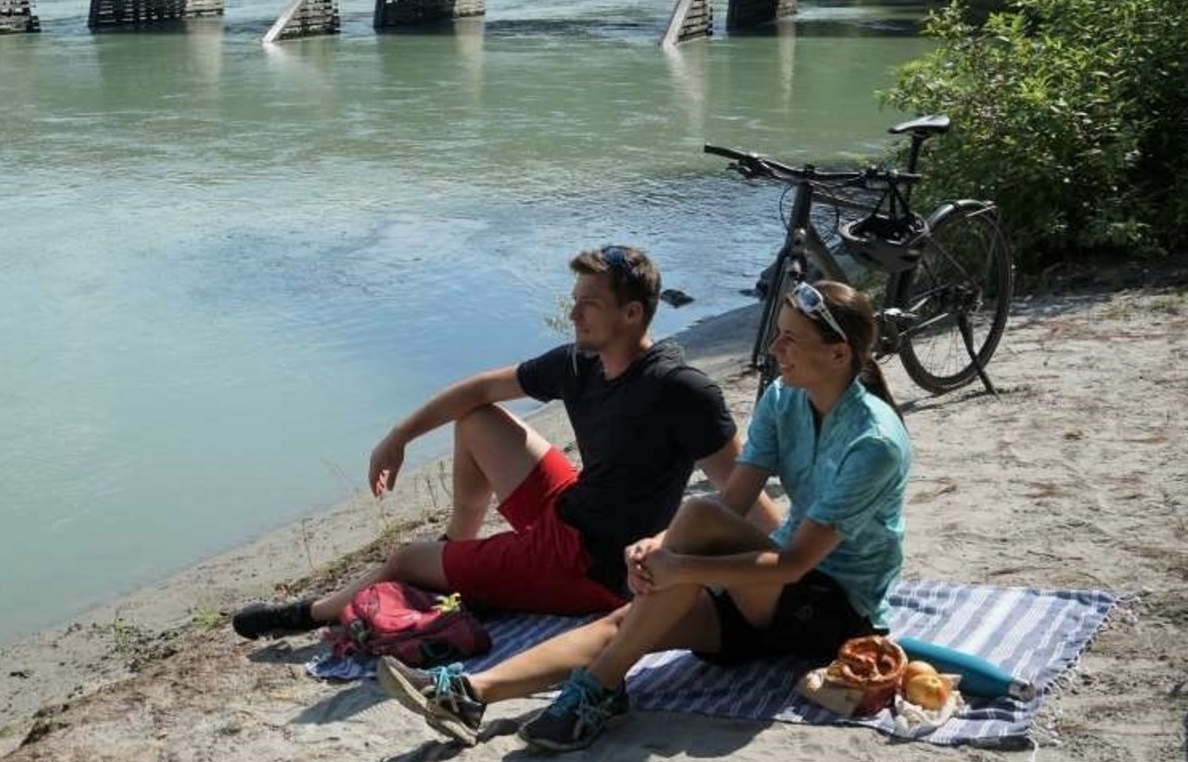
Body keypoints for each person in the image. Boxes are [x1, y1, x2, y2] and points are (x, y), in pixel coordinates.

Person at [378, 279, 912, 752]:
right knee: (631, 621)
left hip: (834, 609)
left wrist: (682, 564)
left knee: (693, 524)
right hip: (772, 598)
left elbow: (795, 562)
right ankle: (471, 692)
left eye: (790, 339)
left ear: (838, 354)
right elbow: (735, 503)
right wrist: (660, 546)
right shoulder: (783, 398)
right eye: (778, 333)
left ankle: (600, 689)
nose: (774, 348)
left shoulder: (873, 443)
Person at [232, 245, 776, 643]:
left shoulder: (681, 391)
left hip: (591, 566)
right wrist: (398, 437)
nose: (574, 314)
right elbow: (478, 390)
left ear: (632, 314)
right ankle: (457, 548)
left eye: (588, 304)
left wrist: (791, 569)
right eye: (575, 301)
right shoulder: (580, 363)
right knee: (476, 420)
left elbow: (744, 493)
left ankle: (308, 614)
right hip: (572, 510)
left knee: (404, 558)